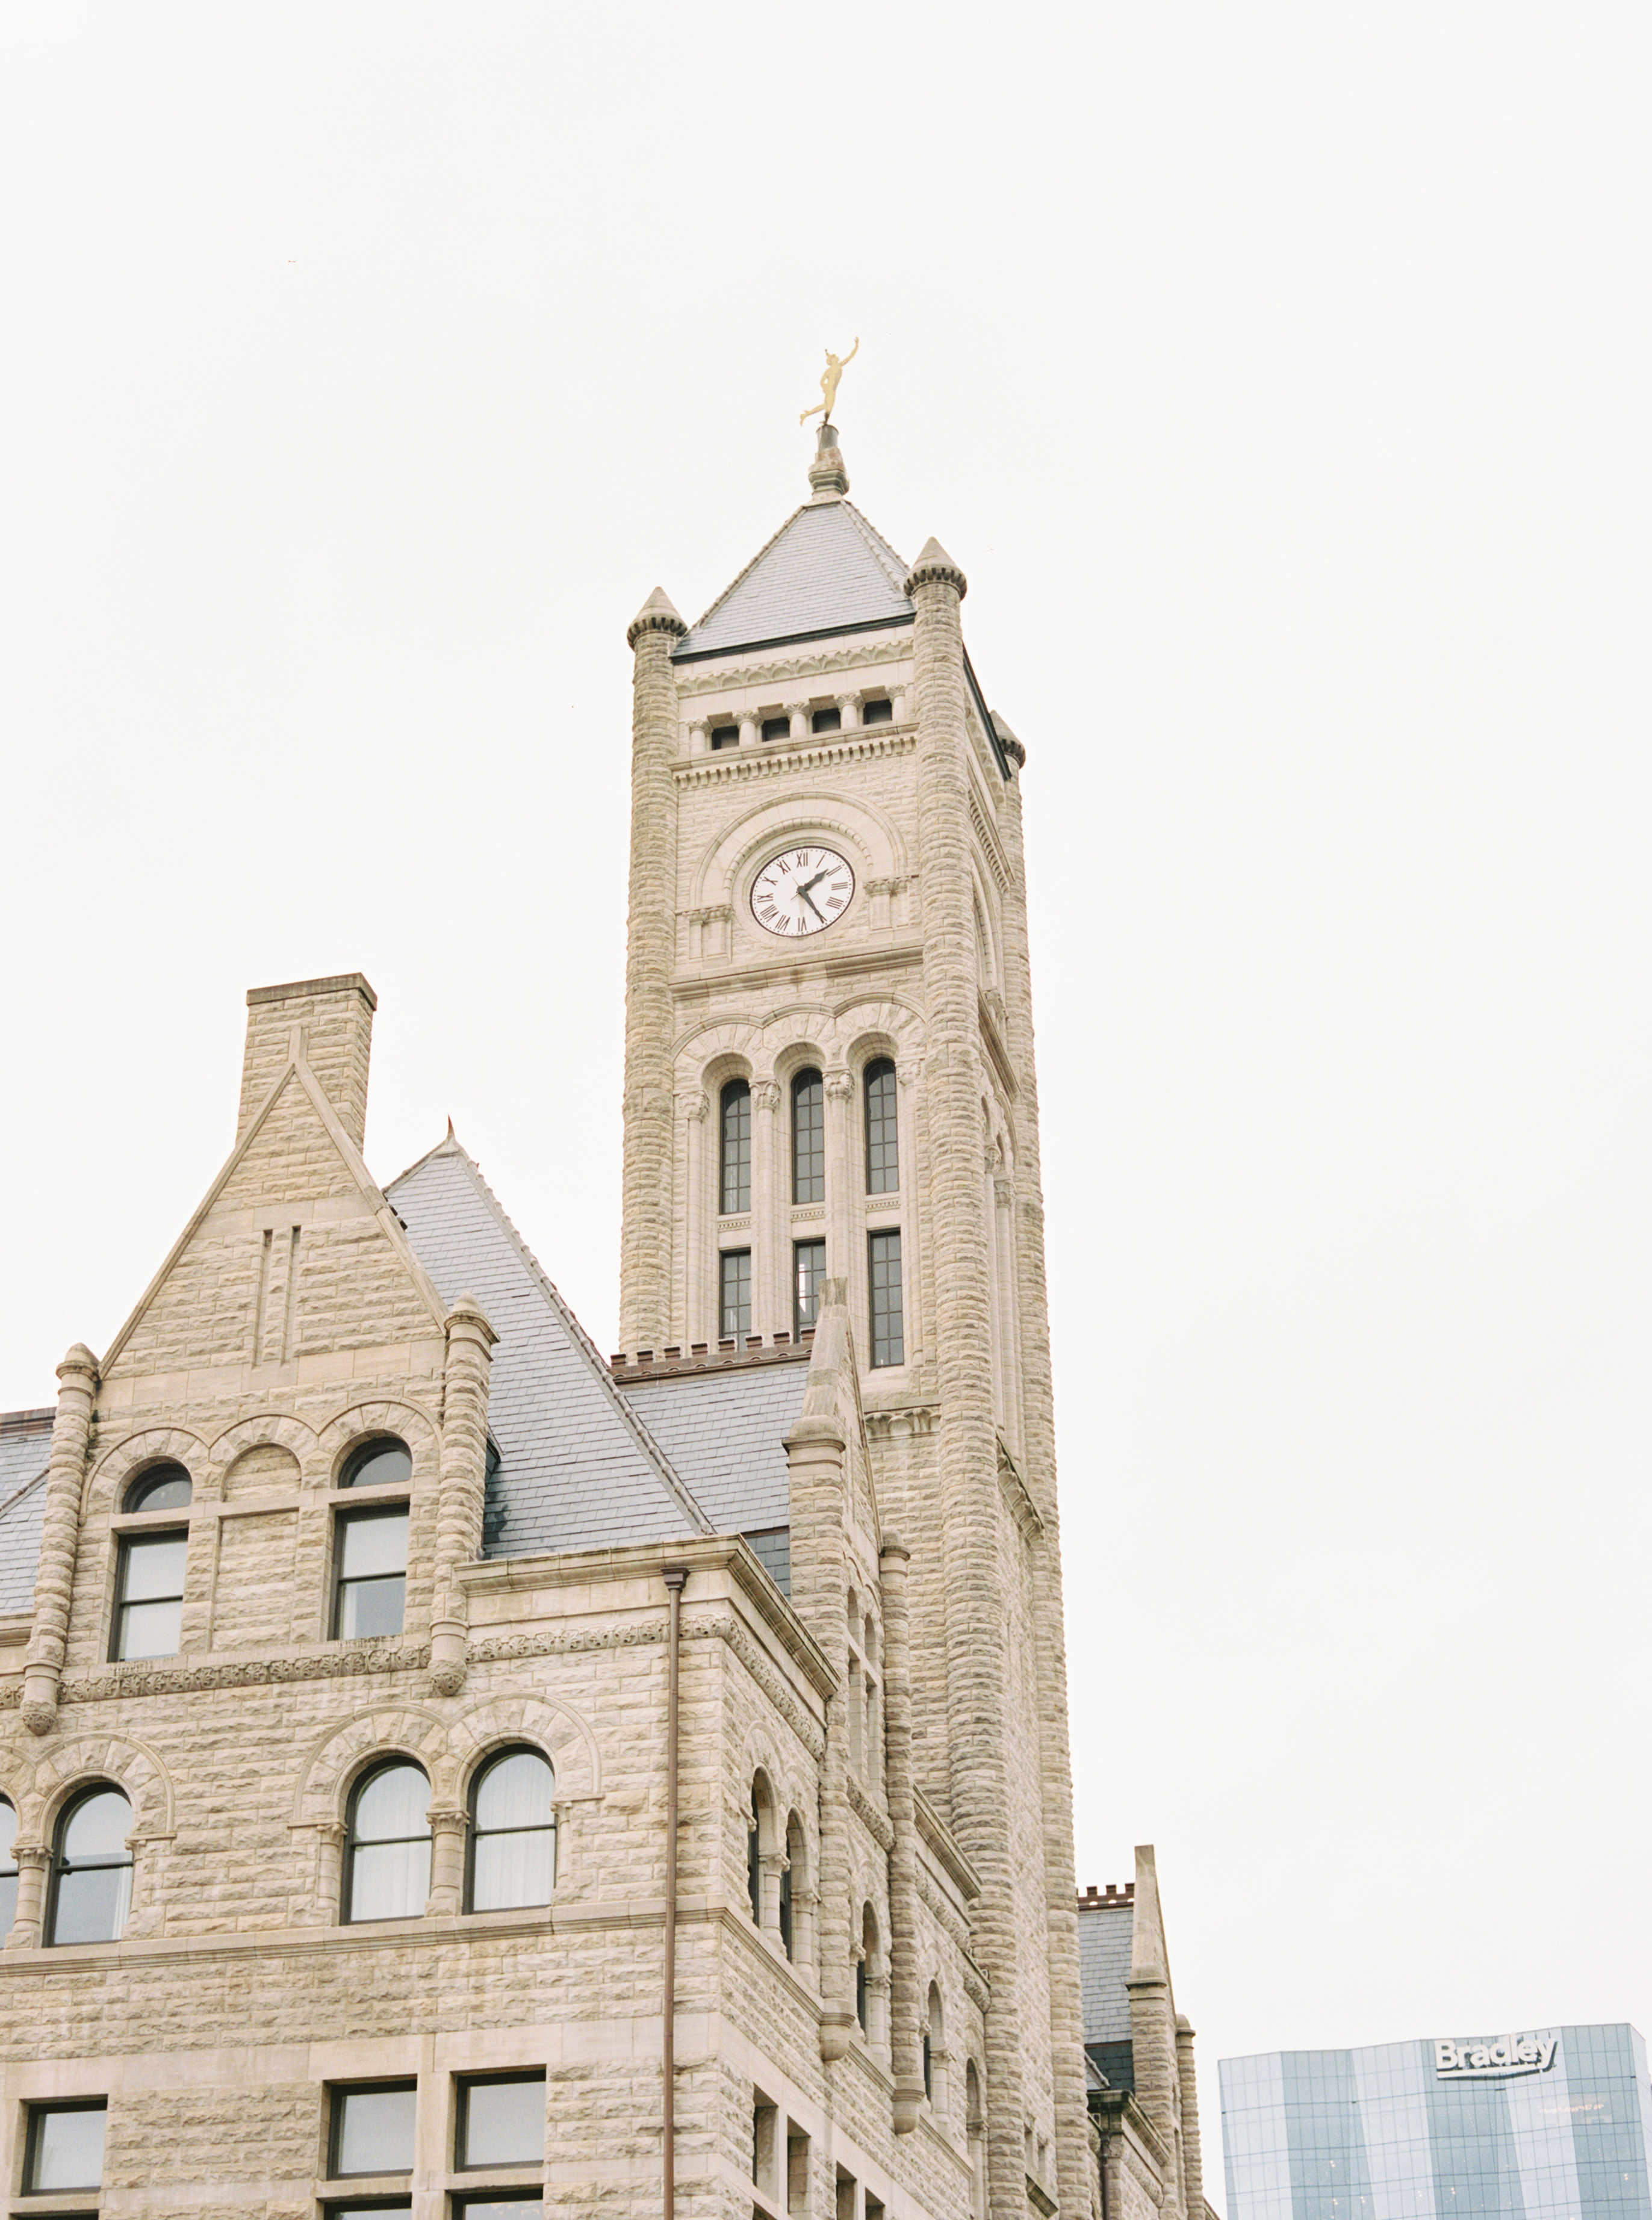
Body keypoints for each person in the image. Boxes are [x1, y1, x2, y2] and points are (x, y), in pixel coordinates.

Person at [800, 338, 859, 426]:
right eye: (835, 357)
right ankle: (824, 422)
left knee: (826, 405)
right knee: (829, 406)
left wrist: (856, 346)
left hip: (833, 389)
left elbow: (851, 356)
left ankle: (806, 415)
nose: (837, 357)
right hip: (830, 388)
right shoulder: (829, 371)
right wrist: (825, 387)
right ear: (832, 360)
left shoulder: (839, 365)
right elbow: (822, 381)